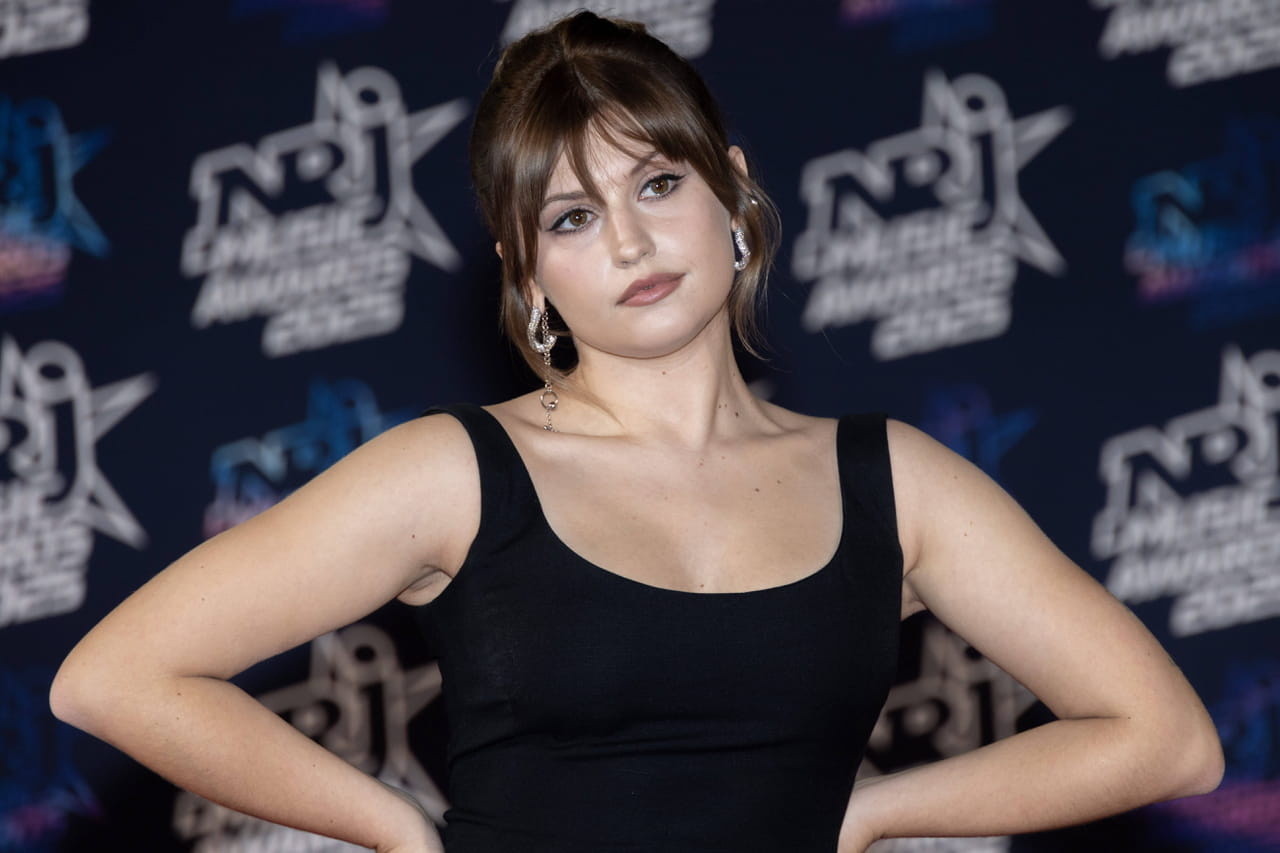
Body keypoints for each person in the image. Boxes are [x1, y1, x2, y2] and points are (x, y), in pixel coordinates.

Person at [51, 10, 1223, 853]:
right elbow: (116, 677)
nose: (627, 240)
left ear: (731, 190)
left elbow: (1164, 739)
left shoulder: (893, 481)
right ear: (526, 271)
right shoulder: (456, 475)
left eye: (657, 184)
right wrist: (401, 832)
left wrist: (871, 813)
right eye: (571, 216)